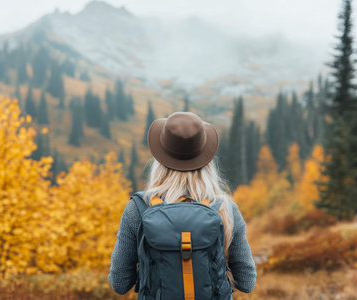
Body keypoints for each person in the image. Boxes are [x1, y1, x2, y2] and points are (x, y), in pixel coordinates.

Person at [109, 111, 257, 299]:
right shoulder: (225, 208)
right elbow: (247, 281)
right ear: (207, 161)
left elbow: (120, 283)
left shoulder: (138, 209)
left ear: (159, 160)